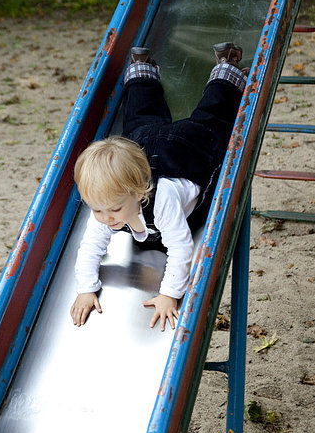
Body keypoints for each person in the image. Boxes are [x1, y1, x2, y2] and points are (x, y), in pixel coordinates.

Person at [70, 42, 248, 331]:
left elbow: (181, 248)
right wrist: (86, 288)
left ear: (139, 192)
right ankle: (141, 68)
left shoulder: (163, 201)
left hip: (182, 152)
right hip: (144, 144)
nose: (106, 218)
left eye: (114, 209)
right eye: (97, 210)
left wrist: (168, 294)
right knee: (140, 119)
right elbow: (90, 246)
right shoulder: (108, 205)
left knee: (211, 121)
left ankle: (227, 68)